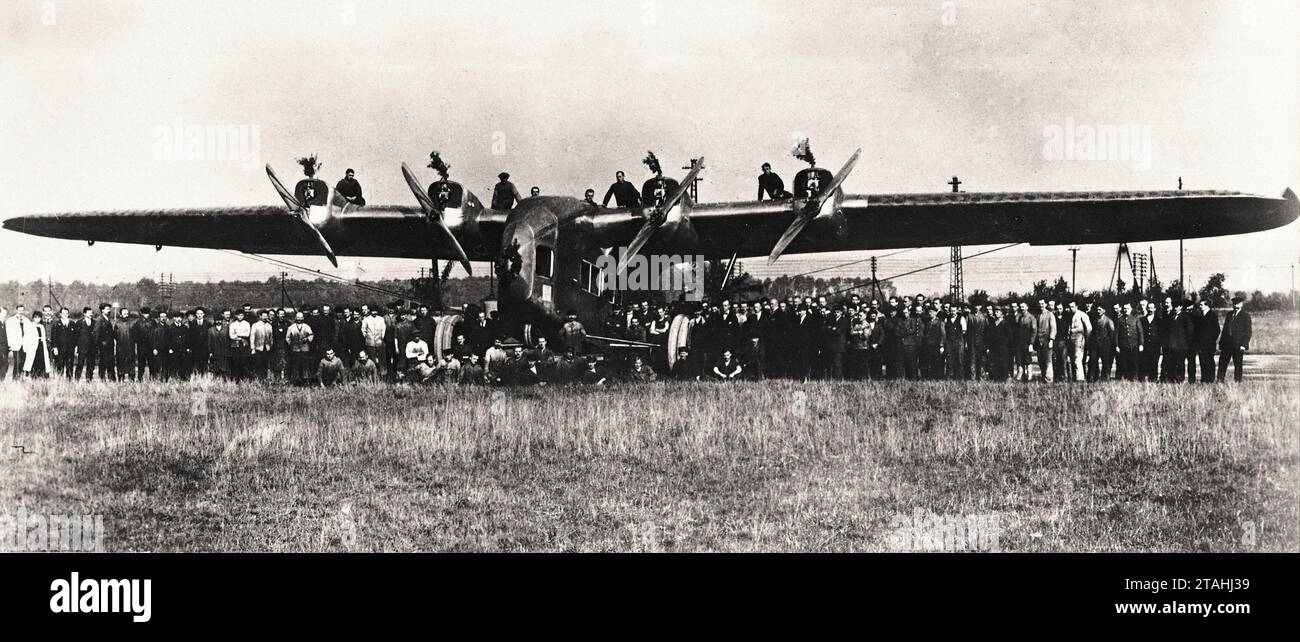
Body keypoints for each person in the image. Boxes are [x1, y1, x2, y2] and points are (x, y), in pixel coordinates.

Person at [1217, 296, 1252, 383]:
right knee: (1222, 364)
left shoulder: (1245, 316)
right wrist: (1221, 343)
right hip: (1227, 344)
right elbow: (1225, 330)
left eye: (1237, 303)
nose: (1235, 305)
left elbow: (1248, 332)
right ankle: (1219, 381)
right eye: (1234, 304)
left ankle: (1237, 383)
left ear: (1241, 304)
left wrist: (1244, 345)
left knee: (1238, 365)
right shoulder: (1229, 315)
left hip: (1238, 345)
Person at [1115, 302, 1144, 381]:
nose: (1126, 310)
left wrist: (1141, 344)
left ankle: (1134, 378)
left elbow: (1140, 332)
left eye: (1127, 309)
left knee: (1134, 363)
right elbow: (1117, 334)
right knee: (1124, 363)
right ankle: (1127, 378)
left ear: (1131, 309)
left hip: (1134, 345)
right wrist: (1117, 345)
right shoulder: (1120, 320)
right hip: (1123, 345)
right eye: (1124, 309)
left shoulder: (1135, 319)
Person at [1064, 300, 1091, 382]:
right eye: (1069, 307)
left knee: (1077, 359)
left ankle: (1080, 379)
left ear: (1076, 306)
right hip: (1071, 340)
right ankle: (1073, 378)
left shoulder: (1082, 315)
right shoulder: (1069, 315)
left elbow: (1089, 328)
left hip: (1079, 339)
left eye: (1072, 307)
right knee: (1071, 359)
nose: (1071, 308)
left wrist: (1086, 339)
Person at [21, 310, 51, 377]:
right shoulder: (30, 326)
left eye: (39, 318)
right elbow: (26, 337)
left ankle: (41, 375)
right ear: (33, 318)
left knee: (42, 360)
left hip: (41, 346)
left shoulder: (41, 326)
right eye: (36, 317)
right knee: (33, 361)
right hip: (33, 346)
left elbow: (43, 337)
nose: (37, 319)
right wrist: (26, 348)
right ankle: (33, 375)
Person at [112, 307, 136, 382]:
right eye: (124, 313)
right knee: (120, 361)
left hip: (130, 346)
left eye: (127, 313)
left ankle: (131, 377)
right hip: (120, 346)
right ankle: (121, 377)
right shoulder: (117, 323)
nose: (126, 315)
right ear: (121, 314)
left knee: (131, 361)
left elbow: (135, 334)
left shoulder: (132, 323)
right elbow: (115, 335)